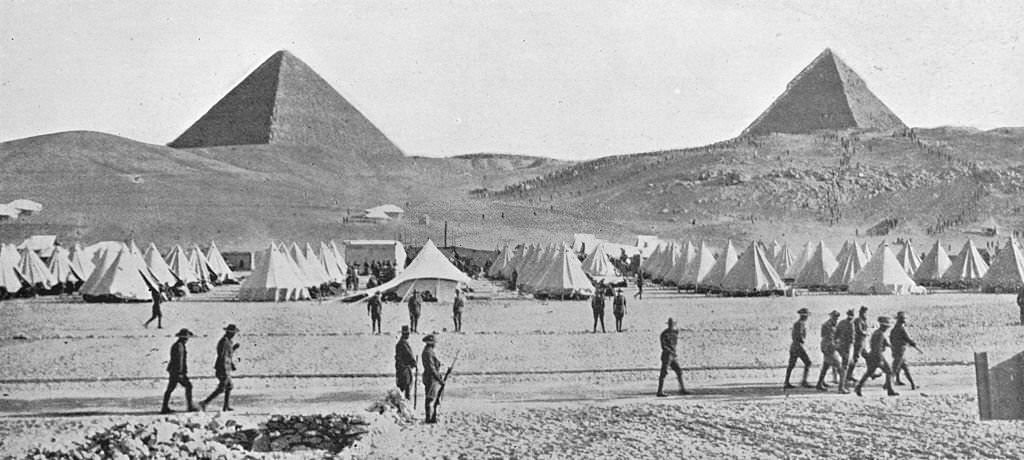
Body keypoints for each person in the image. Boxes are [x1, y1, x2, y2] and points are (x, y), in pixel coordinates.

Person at [200, 324, 240, 411]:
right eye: (233, 333)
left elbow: (228, 354)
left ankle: (225, 406)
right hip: (222, 368)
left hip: (226, 367)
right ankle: (205, 402)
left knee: (228, 386)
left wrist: (233, 350)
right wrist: (225, 368)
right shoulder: (224, 342)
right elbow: (222, 355)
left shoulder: (228, 341)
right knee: (222, 388)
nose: (234, 335)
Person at [855, 316, 898, 397]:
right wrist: (880, 359)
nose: (887, 328)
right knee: (889, 371)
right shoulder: (880, 334)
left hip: (873, 355)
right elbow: (877, 348)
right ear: (883, 326)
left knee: (869, 373)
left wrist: (890, 346)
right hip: (877, 356)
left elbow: (885, 343)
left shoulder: (877, 333)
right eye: (886, 326)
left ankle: (858, 387)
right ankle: (890, 390)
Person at [161, 328, 198, 414]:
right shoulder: (179, 346)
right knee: (188, 386)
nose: (188, 339)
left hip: (174, 371)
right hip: (177, 372)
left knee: (170, 388)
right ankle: (190, 406)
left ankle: (164, 407)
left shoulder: (178, 345)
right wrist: (180, 373)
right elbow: (179, 360)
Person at [816, 310, 847, 393]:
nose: (836, 319)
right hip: (829, 349)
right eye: (835, 317)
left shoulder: (830, 325)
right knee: (841, 369)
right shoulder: (829, 326)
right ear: (831, 317)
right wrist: (837, 346)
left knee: (825, 366)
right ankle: (841, 388)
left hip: (826, 348)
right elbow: (830, 339)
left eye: (837, 318)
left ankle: (819, 384)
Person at [657, 318, 690, 396]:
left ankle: (682, 389)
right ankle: (659, 391)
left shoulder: (675, 333)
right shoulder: (664, 334)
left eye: (672, 324)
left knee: (679, 371)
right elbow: (663, 346)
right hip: (667, 355)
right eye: (670, 324)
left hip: (673, 355)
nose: (671, 325)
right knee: (663, 373)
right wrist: (669, 351)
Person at [784, 308, 813, 389]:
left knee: (791, 365)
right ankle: (804, 381)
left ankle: (786, 382)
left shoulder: (798, 323)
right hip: (798, 346)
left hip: (794, 346)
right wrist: (802, 341)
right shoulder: (800, 324)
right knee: (808, 362)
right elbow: (799, 336)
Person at [890, 311, 920, 390]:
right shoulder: (901, 329)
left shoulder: (894, 329)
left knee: (901, 367)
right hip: (900, 351)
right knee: (897, 368)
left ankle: (909, 383)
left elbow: (891, 339)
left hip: (896, 350)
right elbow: (907, 338)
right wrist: (913, 343)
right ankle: (889, 384)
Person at [421, 334, 443, 423]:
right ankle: (429, 418)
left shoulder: (428, 351)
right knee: (430, 398)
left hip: (430, 376)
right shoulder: (428, 352)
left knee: (431, 397)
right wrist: (439, 379)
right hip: (431, 377)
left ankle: (430, 417)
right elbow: (431, 368)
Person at [847, 306, 870, 381]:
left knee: (867, 357)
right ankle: (849, 375)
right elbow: (859, 330)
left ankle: (870, 372)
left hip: (862, 342)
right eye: (865, 313)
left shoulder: (862, 320)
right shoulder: (858, 320)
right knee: (855, 358)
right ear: (862, 313)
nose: (866, 314)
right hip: (859, 342)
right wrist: (866, 333)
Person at [395, 325, 417, 399]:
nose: (408, 335)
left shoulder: (401, 343)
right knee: (406, 387)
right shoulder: (403, 343)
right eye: (407, 334)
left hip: (401, 369)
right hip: (404, 369)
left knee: (402, 388)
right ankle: (405, 405)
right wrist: (414, 363)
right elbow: (408, 355)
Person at [835, 309, 855, 383]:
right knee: (845, 364)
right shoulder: (851, 324)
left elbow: (836, 334)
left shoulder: (841, 322)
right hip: (846, 346)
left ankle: (843, 377)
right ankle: (844, 380)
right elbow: (852, 338)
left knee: (843, 363)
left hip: (840, 345)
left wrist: (837, 342)